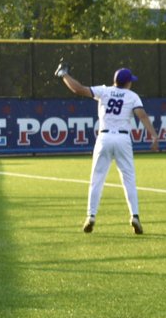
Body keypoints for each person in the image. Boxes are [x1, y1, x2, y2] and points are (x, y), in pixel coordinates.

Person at [56, 63, 160, 234]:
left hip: (104, 137)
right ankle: (135, 216)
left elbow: (78, 90)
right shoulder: (132, 96)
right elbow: (141, 115)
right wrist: (154, 135)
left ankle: (91, 216)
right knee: (129, 180)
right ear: (128, 82)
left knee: (97, 179)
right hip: (122, 138)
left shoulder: (104, 91)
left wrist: (63, 75)